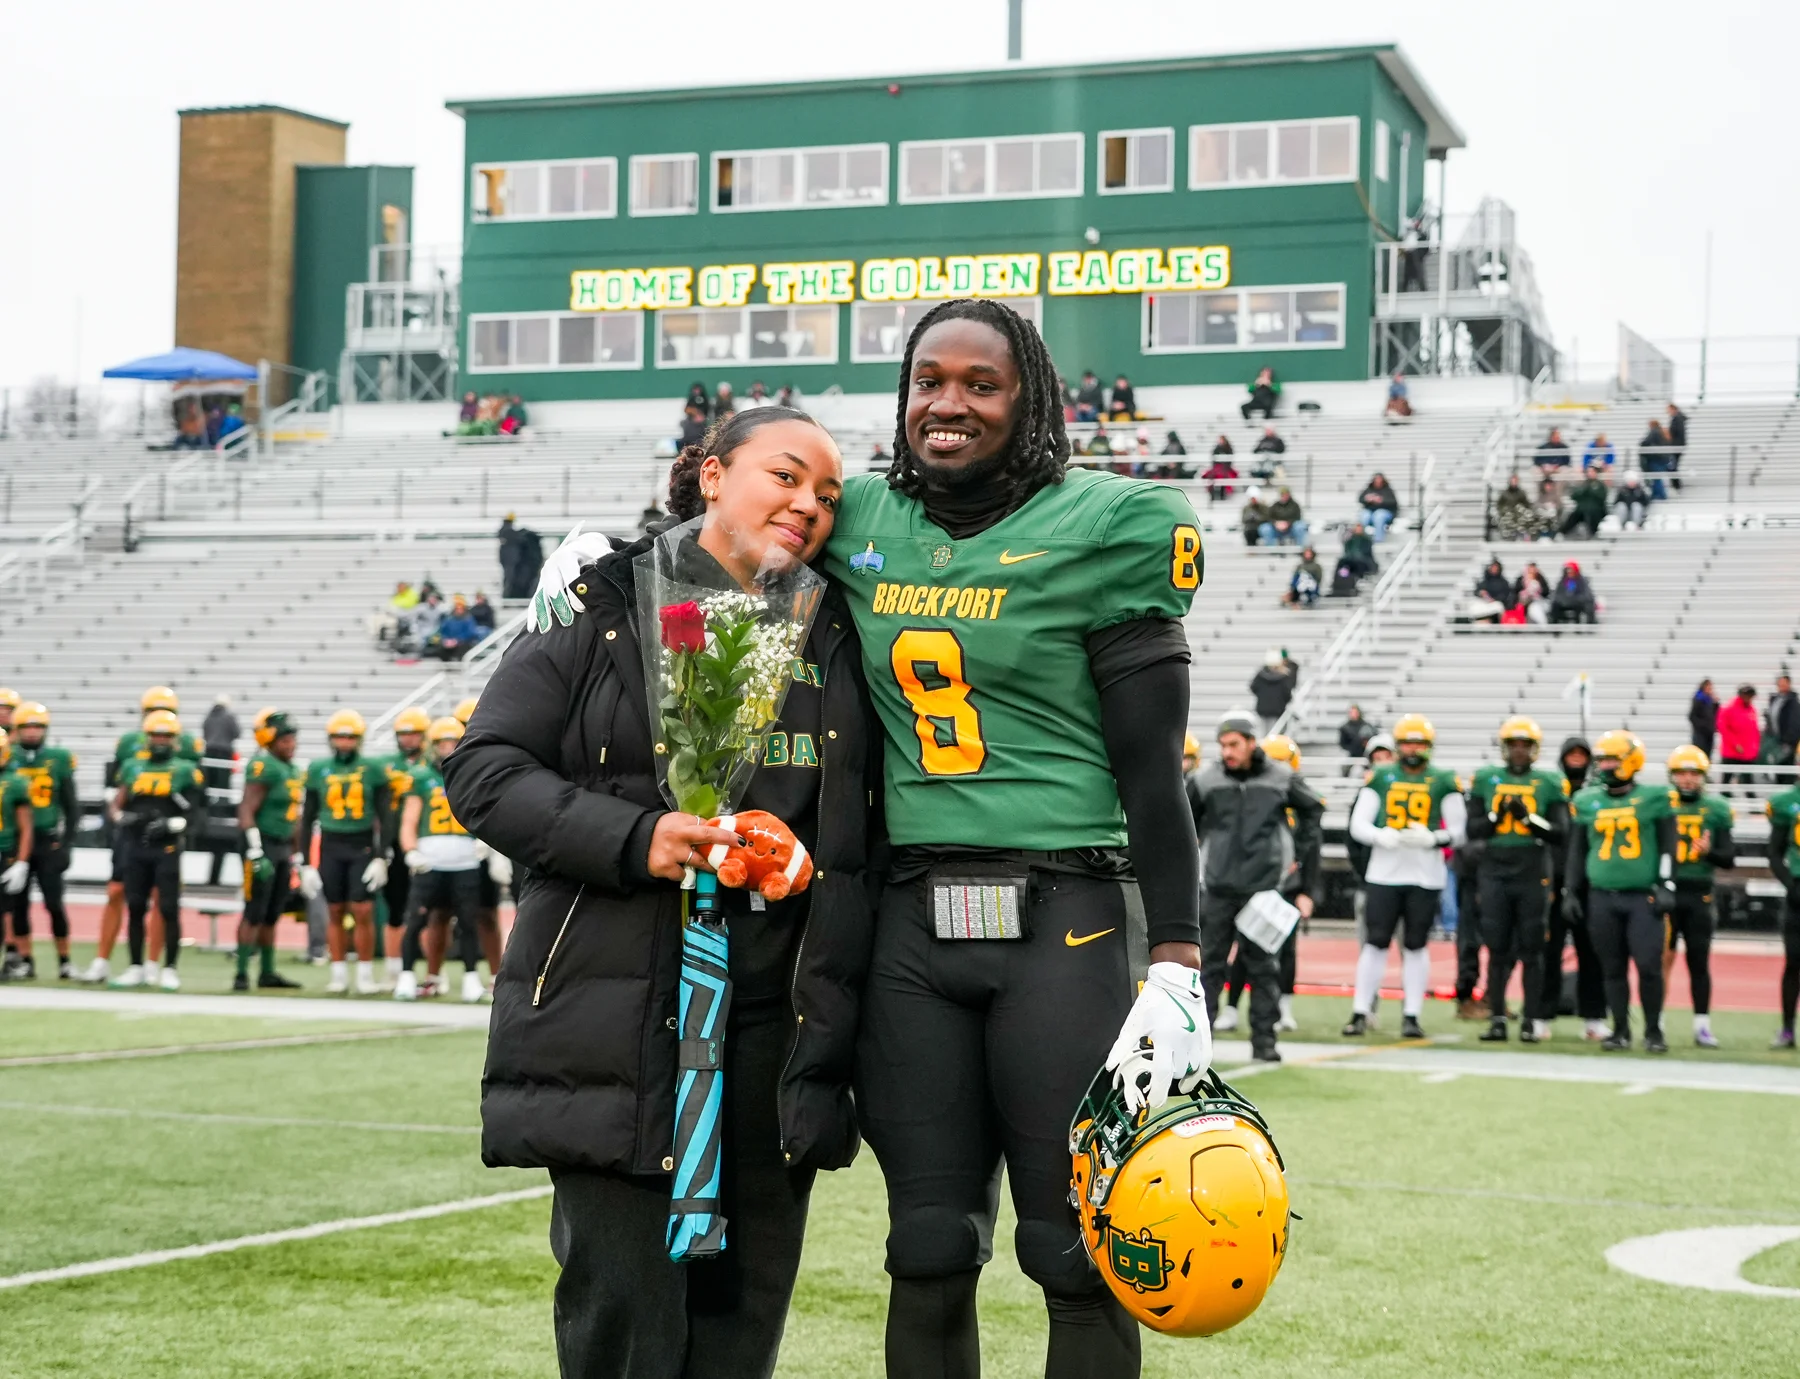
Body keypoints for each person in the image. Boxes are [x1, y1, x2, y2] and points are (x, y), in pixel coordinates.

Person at [524, 301, 1210, 1378]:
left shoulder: (1112, 523)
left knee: (1072, 1248)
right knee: (928, 1244)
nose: (949, 403)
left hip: (1062, 912)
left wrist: (1178, 951)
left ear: (1030, 398)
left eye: (981, 383)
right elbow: (741, 527)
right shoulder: (862, 511)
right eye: (929, 379)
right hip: (907, 918)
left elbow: (1152, 771)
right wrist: (619, 553)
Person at [447, 406, 877, 1378]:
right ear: (713, 473)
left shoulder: (836, 629)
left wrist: (800, 858)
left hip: (775, 1027)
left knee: (740, 1326)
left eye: (827, 494)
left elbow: (856, 824)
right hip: (622, 1013)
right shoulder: (600, 603)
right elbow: (482, 769)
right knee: (624, 1320)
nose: (808, 503)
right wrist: (638, 836)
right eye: (786, 475)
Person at [1189, 714, 1322, 1061]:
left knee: (1264, 969)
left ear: (1251, 742)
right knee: (1209, 969)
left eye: (1234, 744)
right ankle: (1201, 1047)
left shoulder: (1280, 776)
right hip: (1217, 886)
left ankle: (1265, 1043)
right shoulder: (1206, 779)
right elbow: (1184, 818)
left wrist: (1298, 854)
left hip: (1262, 888)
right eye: (1222, 745)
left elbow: (1314, 809)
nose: (1227, 751)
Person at [1343, 715, 1466, 1040]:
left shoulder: (1443, 779)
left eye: (1419, 743)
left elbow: (1459, 830)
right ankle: (1361, 1010)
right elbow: (1359, 825)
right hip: (1384, 872)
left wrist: (1433, 838)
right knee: (1375, 943)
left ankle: (1412, 1014)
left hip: (1425, 875)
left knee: (1415, 945)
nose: (1413, 749)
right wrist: (1382, 836)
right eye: (1408, 743)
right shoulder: (1382, 776)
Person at [82, 687, 206, 985]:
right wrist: (120, 818)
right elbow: (115, 794)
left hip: (166, 841)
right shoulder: (129, 750)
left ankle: (158, 964)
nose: (159, 731)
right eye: (152, 715)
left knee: (164, 902)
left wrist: (177, 823)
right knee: (122, 895)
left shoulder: (187, 753)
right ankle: (111, 961)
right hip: (132, 838)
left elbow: (196, 805)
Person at [1565, 731, 1677, 1052]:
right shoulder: (1587, 801)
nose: (1605, 766)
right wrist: (1571, 891)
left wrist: (1667, 883)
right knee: (1611, 969)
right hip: (1602, 896)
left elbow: (1668, 845)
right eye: (1602, 760)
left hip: (1642, 896)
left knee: (1647, 965)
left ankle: (1654, 1030)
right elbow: (1577, 852)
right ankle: (1621, 1030)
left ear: (1631, 761)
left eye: (1611, 760)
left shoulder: (1654, 798)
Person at [1464, 717, 1567, 1043]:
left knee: (1533, 949)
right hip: (1494, 869)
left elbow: (1561, 833)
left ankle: (1531, 1020)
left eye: (1525, 745)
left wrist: (1528, 818)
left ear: (1534, 749)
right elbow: (1473, 828)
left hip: (1532, 869)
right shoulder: (1486, 779)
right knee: (1496, 947)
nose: (1519, 751)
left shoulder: (1549, 782)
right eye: (1514, 745)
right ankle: (1497, 1018)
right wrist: (1498, 816)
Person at [396, 716, 491, 1003]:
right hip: (430, 859)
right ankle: (406, 976)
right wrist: (410, 850)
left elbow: (485, 811)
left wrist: (486, 842)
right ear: (432, 745)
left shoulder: (472, 774)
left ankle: (472, 979)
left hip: (464, 860)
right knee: (416, 920)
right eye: (442, 743)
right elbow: (409, 820)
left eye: (453, 742)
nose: (447, 748)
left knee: (468, 921)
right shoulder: (421, 777)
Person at [299, 709, 390, 995]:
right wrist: (304, 861)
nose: (344, 742)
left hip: (361, 842)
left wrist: (381, 855)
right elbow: (307, 817)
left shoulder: (373, 768)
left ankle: (364, 974)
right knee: (334, 910)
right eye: (339, 737)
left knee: (363, 909)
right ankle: (338, 973)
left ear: (359, 739)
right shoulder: (318, 768)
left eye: (350, 737)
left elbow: (386, 816)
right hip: (330, 843)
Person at [1536, 737, 1607, 1040]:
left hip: (1589, 883)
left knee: (1592, 952)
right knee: (1548, 952)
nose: (1576, 760)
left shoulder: (1598, 795)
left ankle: (1594, 1016)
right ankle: (1542, 1015)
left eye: (1582, 755)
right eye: (1572, 755)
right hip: (1554, 880)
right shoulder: (1552, 790)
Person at [1663, 746, 1734, 1048]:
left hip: (1699, 893)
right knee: (1661, 960)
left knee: (1698, 961)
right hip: (1667, 891)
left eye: (1694, 773)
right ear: (1673, 776)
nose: (1688, 779)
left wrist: (1708, 852)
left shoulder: (1716, 809)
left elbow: (1728, 858)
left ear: (1703, 777)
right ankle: (1657, 1020)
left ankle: (1702, 1025)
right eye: (1682, 773)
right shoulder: (1661, 805)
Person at [5, 704, 78, 981]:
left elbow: (72, 807)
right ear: (17, 730)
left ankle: (65, 961)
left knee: (54, 903)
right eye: (27, 727)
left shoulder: (58, 758)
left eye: (38, 727)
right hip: (16, 841)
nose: (33, 733)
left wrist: (68, 843)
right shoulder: (8, 755)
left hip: (48, 840)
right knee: (18, 904)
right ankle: (25, 961)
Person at [235, 710, 305, 992]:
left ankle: (266, 971)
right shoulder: (263, 766)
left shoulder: (292, 769)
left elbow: (296, 818)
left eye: (292, 739)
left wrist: (298, 854)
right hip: (260, 844)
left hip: (281, 845)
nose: (291, 744)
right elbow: (246, 809)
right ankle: (241, 973)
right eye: (285, 740)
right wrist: (254, 849)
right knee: (254, 910)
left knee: (273, 911)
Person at [374, 708, 432, 992]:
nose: (407, 739)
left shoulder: (434, 763)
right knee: (395, 908)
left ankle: (433, 973)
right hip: (396, 844)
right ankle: (394, 969)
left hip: (429, 843)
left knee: (433, 910)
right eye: (403, 734)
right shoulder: (385, 765)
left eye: (413, 734)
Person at [1766, 777, 1800, 1049]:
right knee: (1794, 963)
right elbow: (1774, 853)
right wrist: (1791, 884)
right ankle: (1788, 1028)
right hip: (1799, 890)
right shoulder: (1786, 803)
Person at [0, 732, 35, 981]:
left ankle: (11, 959)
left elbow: (26, 827)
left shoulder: (15, 782)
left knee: (5, 911)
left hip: (4, 850)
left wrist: (22, 861)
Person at [1717, 683, 1762, 785]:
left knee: (1748, 779)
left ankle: (1751, 798)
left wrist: (1756, 747)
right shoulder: (1729, 708)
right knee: (1727, 779)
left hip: (1747, 752)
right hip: (1731, 752)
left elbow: (1754, 730)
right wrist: (1735, 744)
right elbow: (1723, 728)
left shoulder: (1751, 709)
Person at [1250, 648, 1296, 734]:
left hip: (1262, 709)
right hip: (1278, 710)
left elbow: (1253, 687)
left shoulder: (1260, 675)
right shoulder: (1284, 677)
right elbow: (1287, 693)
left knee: (1264, 734)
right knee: (1276, 734)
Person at [1766, 673, 1800, 771]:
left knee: (1787, 767)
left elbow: (1795, 723)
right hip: (1776, 741)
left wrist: (1788, 741)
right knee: (1777, 766)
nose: (1782, 685)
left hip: (1788, 742)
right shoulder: (1775, 699)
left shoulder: (1793, 702)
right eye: (1780, 683)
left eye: (1784, 683)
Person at [1559, 474, 1609, 539]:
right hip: (1581, 510)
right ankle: (1562, 532)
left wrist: (1590, 491)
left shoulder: (1600, 485)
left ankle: (1593, 533)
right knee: (1575, 515)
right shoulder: (1583, 485)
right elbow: (1574, 496)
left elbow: (1601, 498)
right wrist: (1585, 491)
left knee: (1591, 515)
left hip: (1596, 511)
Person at [1494, 474, 1539, 542]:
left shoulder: (1521, 493)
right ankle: (1507, 537)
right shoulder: (1504, 493)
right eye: (1512, 481)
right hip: (1508, 515)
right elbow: (1499, 505)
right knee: (1505, 520)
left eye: (1515, 481)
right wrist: (1504, 511)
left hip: (1519, 515)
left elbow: (1527, 505)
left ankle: (1523, 536)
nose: (1514, 482)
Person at [1358, 473, 1400, 541]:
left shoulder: (1388, 491)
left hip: (1385, 512)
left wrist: (1380, 500)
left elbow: (1393, 502)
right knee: (1364, 515)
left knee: (1379, 515)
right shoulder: (1369, 489)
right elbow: (1360, 499)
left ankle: (1378, 539)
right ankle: (1362, 539)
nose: (1378, 482)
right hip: (1370, 512)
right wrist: (1368, 499)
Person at [1639, 419, 1673, 500]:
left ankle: (1661, 495)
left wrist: (1642, 444)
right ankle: (1656, 494)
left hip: (1656, 458)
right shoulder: (1662, 432)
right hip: (1663, 459)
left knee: (1656, 478)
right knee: (1657, 477)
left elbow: (1646, 442)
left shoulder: (1654, 431)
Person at [1689, 679, 1720, 755]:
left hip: (1709, 733)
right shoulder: (1698, 699)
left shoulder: (1710, 700)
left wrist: (1716, 704)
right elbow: (1692, 716)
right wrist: (1702, 726)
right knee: (1700, 753)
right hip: (1700, 733)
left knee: (1708, 754)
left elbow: (1715, 714)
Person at [1665, 402, 1688, 491]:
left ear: (1673, 409)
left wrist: (1667, 433)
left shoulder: (1677, 419)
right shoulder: (1679, 418)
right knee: (1673, 466)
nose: (1667, 411)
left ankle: (1677, 485)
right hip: (1678, 446)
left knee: (1671, 466)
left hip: (1676, 446)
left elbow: (1673, 432)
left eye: (1668, 410)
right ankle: (1676, 484)